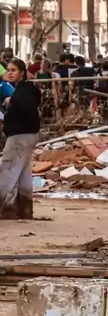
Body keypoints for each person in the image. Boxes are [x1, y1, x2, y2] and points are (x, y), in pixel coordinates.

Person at [0, 59, 40, 219]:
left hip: (19, 136)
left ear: (22, 73)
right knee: (23, 173)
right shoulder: (24, 89)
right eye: (8, 69)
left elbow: (26, 106)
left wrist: (12, 101)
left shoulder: (24, 90)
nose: (10, 72)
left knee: (7, 171)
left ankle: (5, 208)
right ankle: (24, 209)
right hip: (27, 134)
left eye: (14, 70)